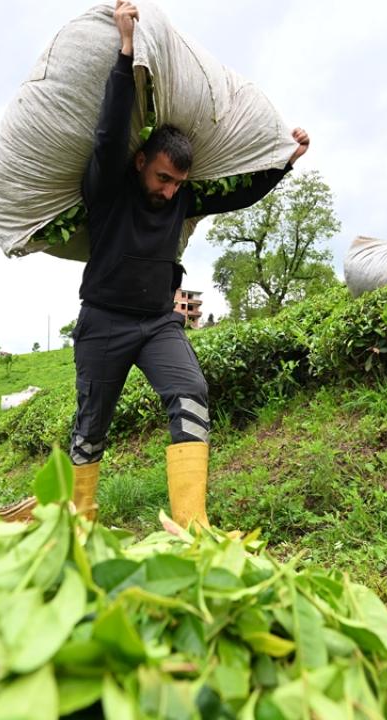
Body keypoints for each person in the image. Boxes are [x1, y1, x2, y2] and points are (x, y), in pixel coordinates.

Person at [69, 0, 310, 527]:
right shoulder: (109, 190)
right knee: (91, 424)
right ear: (141, 165)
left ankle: (192, 526)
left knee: (191, 393)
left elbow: (237, 196)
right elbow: (110, 133)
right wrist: (126, 49)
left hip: (158, 321)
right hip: (103, 322)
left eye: (178, 182)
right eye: (162, 178)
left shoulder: (181, 200)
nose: (170, 190)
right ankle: (78, 523)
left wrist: (283, 164)